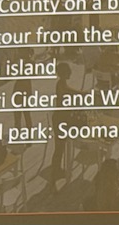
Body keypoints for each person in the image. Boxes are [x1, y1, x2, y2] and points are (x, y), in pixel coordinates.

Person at [50, 60, 84, 189]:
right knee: (59, 148)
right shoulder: (61, 85)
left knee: (60, 147)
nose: (70, 72)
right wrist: (82, 94)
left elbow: (70, 91)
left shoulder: (62, 83)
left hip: (62, 118)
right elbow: (70, 92)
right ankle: (53, 177)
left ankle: (57, 169)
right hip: (60, 119)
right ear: (64, 73)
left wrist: (80, 94)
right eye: (68, 71)